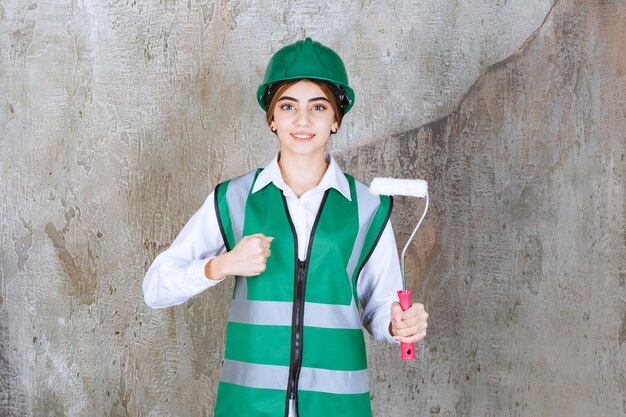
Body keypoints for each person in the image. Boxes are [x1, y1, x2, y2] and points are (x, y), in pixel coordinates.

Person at [143, 37, 429, 417]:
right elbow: (155, 288)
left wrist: (397, 324)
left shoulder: (368, 208)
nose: (303, 120)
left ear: (336, 119)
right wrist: (223, 264)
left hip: (337, 406)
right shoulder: (233, 199)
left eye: (319, 107)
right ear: (272, 117)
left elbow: (378, 307)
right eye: (288, 105)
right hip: (249, 406)